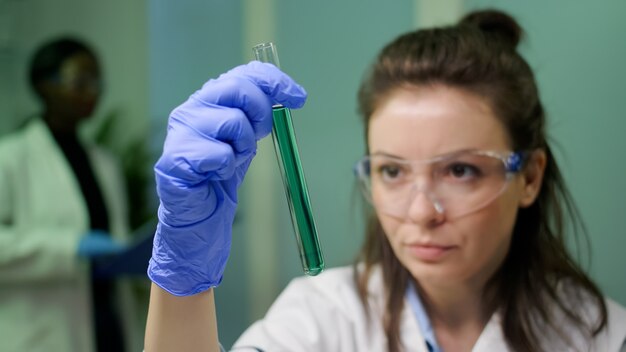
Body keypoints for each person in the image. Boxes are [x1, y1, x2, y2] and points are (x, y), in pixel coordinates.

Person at [144, 10, 626, 352]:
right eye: (392, 171)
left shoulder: (600, 336)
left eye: (460, 170)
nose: (420, 213)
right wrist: (182, 284)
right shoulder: (323, 319)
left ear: (529, 177)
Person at [0, 37, 141, 351]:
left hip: (106, 323)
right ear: (43, 86)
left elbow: (115, 235)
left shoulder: (105, 164)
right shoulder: (9, 159)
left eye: (97, 82)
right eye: (80, 81)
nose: (93, 92)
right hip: (40, 333)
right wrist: (69, 247)